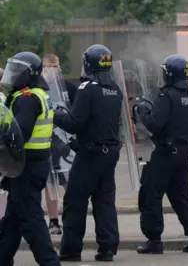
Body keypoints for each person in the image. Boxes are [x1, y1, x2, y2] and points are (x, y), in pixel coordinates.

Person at [54, 44, 122, 262]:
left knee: (75, 201)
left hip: (91, 154)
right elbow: (103, 122)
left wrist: (55, 115)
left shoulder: (87, 88)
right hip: (109, 153)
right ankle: (107, 248)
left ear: (88, 63)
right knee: (104, 201)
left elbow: (75, 122)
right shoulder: (115, 89)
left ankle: (71, 250)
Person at [134, 55, 188, 254]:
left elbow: (156, 124)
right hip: (183, 153)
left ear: (170, 73)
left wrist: (142, 112)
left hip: (165, 152)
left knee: (151, 194)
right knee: (182, 195)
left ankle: (154, 241)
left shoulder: (167, 96)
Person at [0, 51, 60, 265]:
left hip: (25, 167)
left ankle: (50, 262)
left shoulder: (27, 99)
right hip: (30, 165)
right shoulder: (38, 93)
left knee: (31, 222)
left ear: (28, 73)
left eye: (17, 71)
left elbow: (18, 135)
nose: (12, 75)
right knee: (11, 222)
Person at [42, 54, 78, 235]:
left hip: (65, 141)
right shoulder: (39, 89)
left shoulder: (69, 88)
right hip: (46, 140)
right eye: (48, 66)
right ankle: (53, 221)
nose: (51, 70)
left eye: (54, 66)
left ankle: (71, 218)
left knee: (68, 181)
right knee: (50, 183)